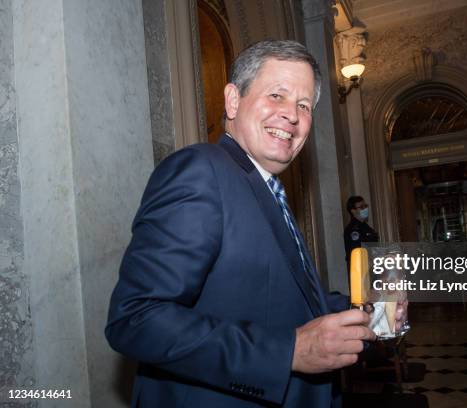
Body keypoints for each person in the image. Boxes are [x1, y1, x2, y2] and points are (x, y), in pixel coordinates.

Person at [105, 40, 407, 407]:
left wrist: (366, 313)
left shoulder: (267, 189)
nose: (292, 115)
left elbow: (286, 303)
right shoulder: (201, 171)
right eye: (277, 95)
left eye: (303, 105)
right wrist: (288, 352)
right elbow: (136, 318)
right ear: (233, 100)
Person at [344, 196, 380, 271]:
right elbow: (356, 251)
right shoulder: (353, 230)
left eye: (365, 206)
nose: (365, 209)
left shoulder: (366, 227)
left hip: (372, 267)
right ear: (353, 211)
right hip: (360, 269)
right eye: (361, 207)